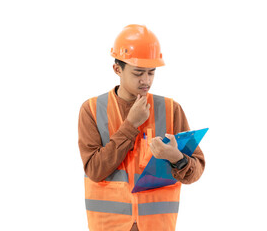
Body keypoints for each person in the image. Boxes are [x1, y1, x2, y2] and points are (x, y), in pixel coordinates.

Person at [78, 24, 205, 231]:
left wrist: (177, 158)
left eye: (151, 73)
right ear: (117, 68)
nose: (146, 81)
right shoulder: (92, 109)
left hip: (158, 226)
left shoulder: (171, 109)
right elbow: (94, 170)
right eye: (138, 73)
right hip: (108, 226)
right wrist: (130, 125)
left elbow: (196, 170)